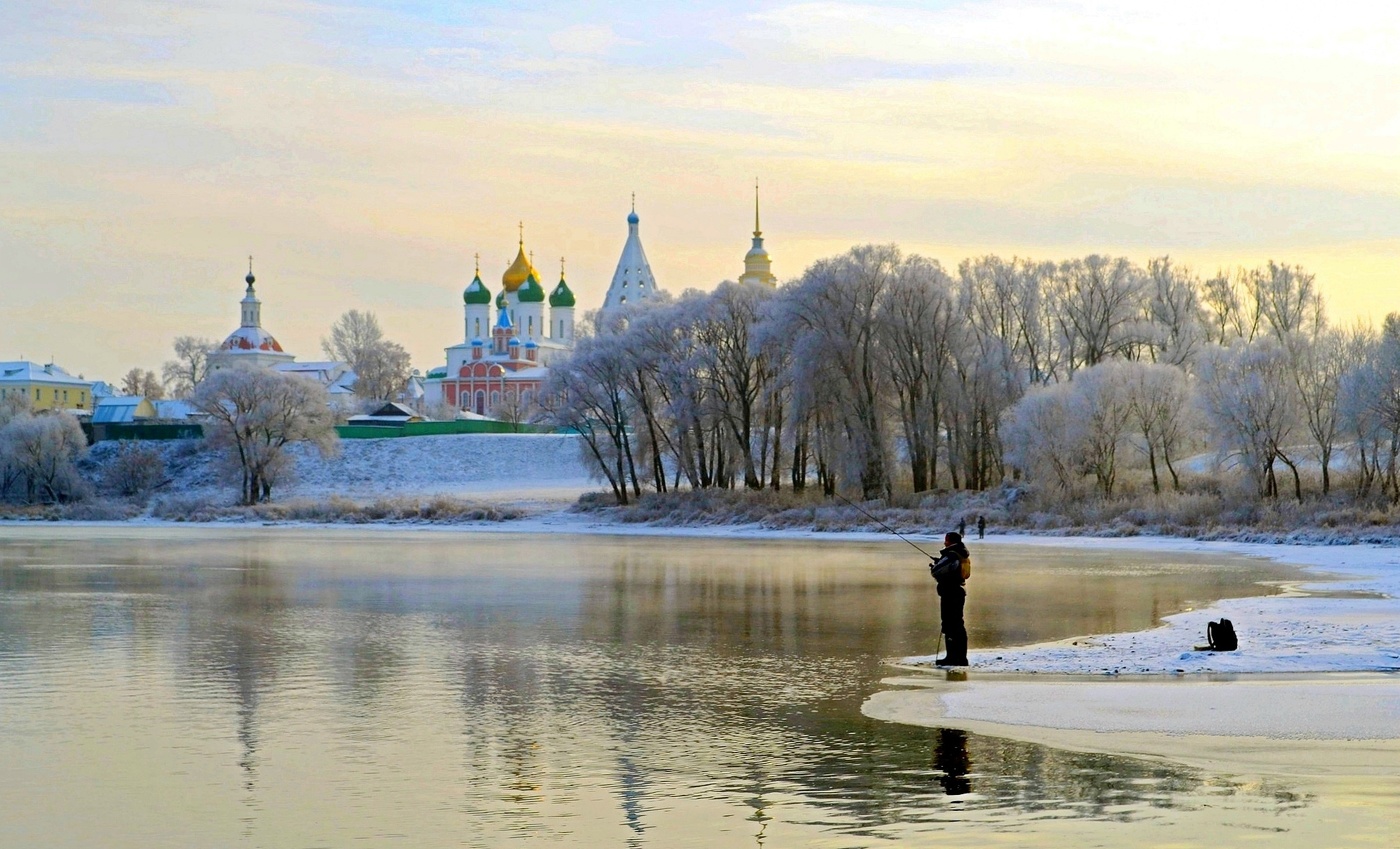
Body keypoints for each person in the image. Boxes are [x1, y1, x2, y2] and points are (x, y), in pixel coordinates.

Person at [929, 531, 970, 666]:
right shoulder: (961, 553)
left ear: (950, 541)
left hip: (950, 593)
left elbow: (936, 571)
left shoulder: (952, 554)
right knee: (958, 625)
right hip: (957, 592)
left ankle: (952, 658)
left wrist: (936, 565)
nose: (944, 542)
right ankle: (961, 658)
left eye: (946, 539)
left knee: (950, 624)